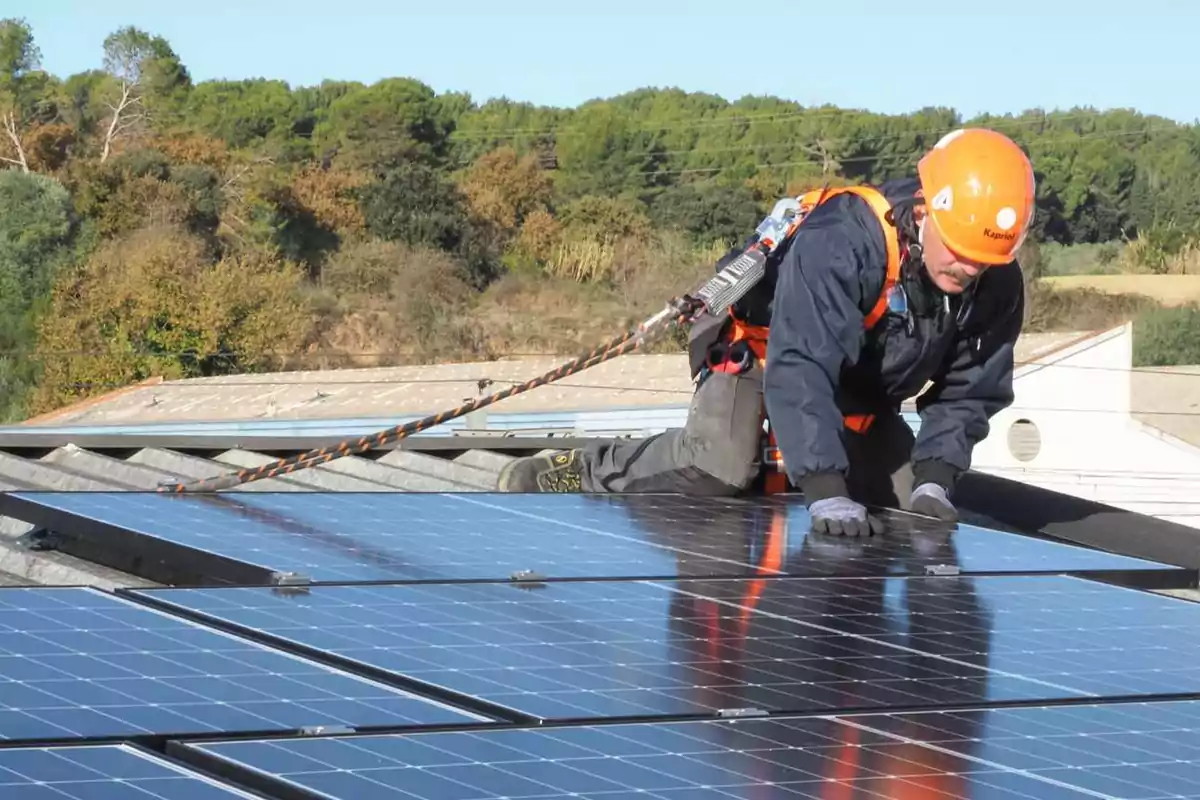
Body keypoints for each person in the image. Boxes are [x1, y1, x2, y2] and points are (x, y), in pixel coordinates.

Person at [497, 127, 1034, 536]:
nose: (969, 270)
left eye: (984, 260)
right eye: (960, 251)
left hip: (854, 390)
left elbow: (970, 390)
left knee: (908, 497)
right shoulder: (845, 243)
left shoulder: (995, 281)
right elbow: (800, 364)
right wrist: (823, 488)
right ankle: (587, 467)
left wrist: (937, 478)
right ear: (926, 211)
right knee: (723, 466)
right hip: (757, 353)